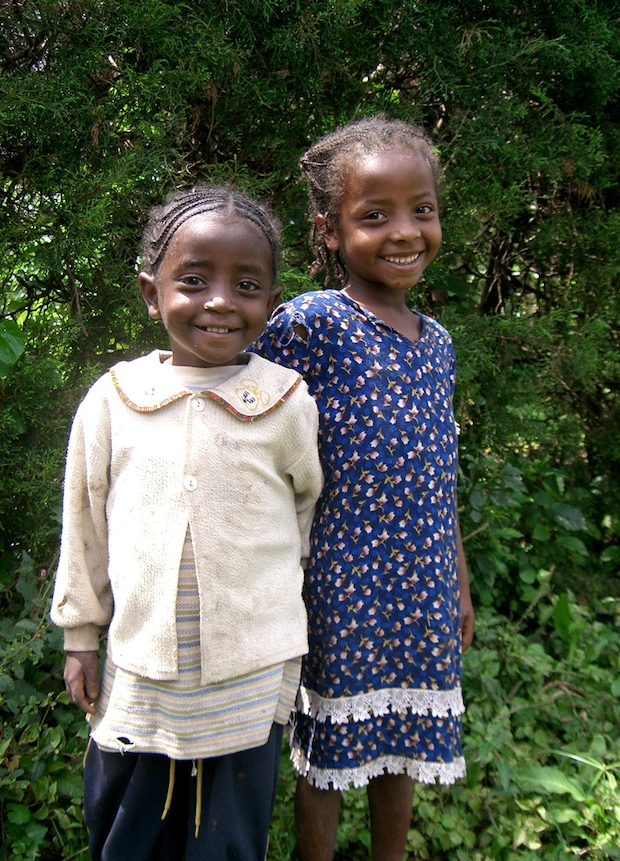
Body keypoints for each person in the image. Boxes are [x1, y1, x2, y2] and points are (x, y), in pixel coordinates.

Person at [50, 184, 323, 861]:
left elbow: (303, 510)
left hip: (251, 671)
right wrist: (81, 634)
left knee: (229, 838)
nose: (221, 300)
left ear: (270, 299)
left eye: (247, 283)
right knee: (126, 830)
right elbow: (83, 527)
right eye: (194, 280)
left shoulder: (285, 401)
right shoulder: (114, 401)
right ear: (151, 291)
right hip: (140, 670)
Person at [253, 115, 475, 861]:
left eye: (422, 209)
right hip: (341, 578)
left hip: (422, 579)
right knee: (330, 753)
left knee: (406, 746)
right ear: (329, 229)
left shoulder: (437, 342)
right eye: (373, 215)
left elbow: (438, 474)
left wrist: (459, 583)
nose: (404, 231)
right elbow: (244, 421)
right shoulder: (312, 323)